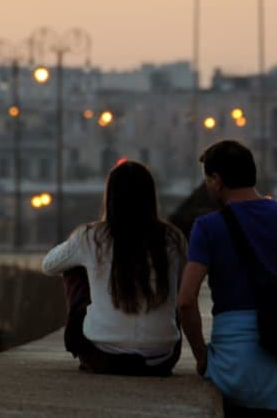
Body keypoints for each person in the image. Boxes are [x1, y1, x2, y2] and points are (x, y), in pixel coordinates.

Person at [178, 140, 277, 417]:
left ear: (217, 181)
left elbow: (186, 301)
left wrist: (202, 356)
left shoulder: (208, 227)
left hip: (232, 368)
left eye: (207, 178)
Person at [42, 160, 187, 376]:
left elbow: (49, 265)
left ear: (110, 197)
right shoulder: (173, 238)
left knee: (75, 268)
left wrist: (78, 242)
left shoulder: (92, 237)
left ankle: (100, 330)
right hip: (161, 358)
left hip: (104, 357)